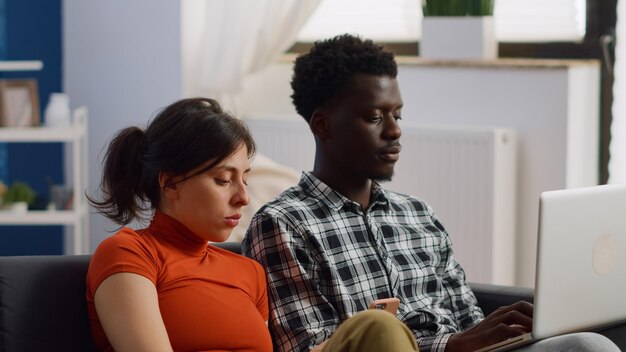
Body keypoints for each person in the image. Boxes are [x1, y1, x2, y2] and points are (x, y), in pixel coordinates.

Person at [242, 34, 620, 352]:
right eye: (375, 117)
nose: (394, 131)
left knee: (589, 344)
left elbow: (468, 319)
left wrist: (510, 331)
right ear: (323, 125)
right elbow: (312, 345)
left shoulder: (417, 214)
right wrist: (451, 344)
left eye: (398, 115)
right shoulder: (283, 224)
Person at [86, 98, 271, 352]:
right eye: (223, 180)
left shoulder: (250, 271)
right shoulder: (130, 253)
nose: (244, 198)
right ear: (171, 183)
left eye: (245, 179)